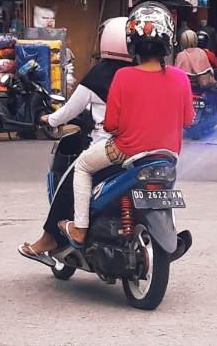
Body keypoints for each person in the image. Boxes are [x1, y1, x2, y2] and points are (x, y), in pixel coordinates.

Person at [60, 3, 194, 247]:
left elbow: (111, 124)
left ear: (133, 43)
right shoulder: (181, 78)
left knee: (82, 167)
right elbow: (188, 120)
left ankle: (79, 228)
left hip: (127, 151)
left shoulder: (123, 76)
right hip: (167, 155)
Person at [20, 17, 131, 261]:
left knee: (71, 179)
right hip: (143, 148)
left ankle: (54, 236)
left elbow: (70, 110)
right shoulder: (140, 72)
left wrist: (49, 120)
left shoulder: (99, 75)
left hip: (108, 147)